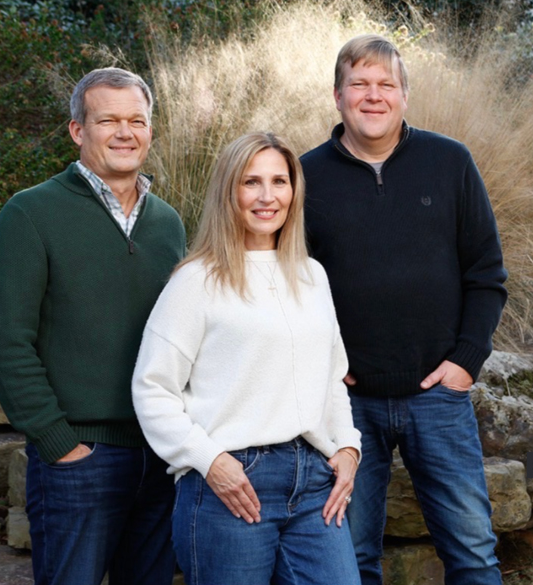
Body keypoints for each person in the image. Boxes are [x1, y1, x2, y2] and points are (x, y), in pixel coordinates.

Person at [301, 34, 509, 585]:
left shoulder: (450, 162)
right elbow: (285, 289)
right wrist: (320, 368)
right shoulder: (304, 178)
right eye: (359, 85)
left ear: (404, 96)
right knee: (349, 560)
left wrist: (466, 362)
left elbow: (486, 275)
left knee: (472, 554)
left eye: (385, 85)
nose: (373, 96)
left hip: (437, 396)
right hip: (347, 407)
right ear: (338, 96)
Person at [0, 67, 186, 585]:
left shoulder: (168, 224)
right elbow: (7, 343)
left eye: (136, 120)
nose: (125, 132)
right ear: (78, 130)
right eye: (108, 120)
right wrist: (59, 445)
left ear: (150, 131)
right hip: (80, 458)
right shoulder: (30, 214)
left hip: (162, 454)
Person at [131, 132, 363, 585]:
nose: (266, 196)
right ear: (228, 191)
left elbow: (331, 379)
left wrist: (348, 446)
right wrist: (209, 460)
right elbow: (153, 388)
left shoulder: (311, 276)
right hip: (232, 483)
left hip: (313, 478)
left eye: (279, 181)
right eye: (251, 182)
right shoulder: (197, 281)